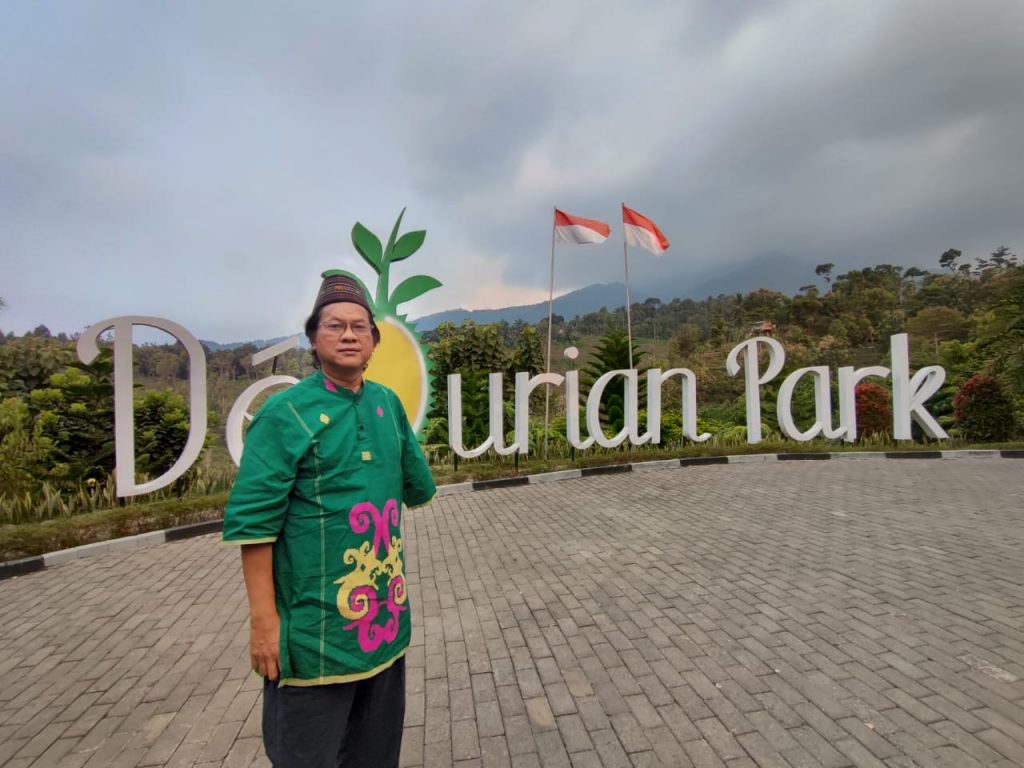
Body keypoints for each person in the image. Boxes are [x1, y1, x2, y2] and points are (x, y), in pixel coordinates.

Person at [223, 270, 436, 768]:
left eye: (360, 327)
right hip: (311, 632)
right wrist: (263, 622)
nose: (348, 335)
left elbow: (417, 485)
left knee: (375, 756)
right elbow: (255, 525)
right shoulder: (284, 414)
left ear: (374, 341)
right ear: (313, 339)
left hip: (383, 623)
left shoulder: (387, 404)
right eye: (334, 325)